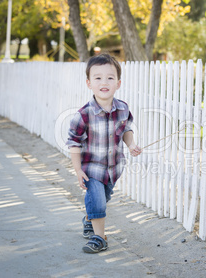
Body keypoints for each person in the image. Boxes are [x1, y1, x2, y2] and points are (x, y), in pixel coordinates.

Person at [66, 53, 141, 253]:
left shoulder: (123, 108)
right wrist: (77, 169)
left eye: (110, 77)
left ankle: (89, 218)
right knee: (97, 199)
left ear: (118, 83)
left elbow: (126, 129)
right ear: (89, 83)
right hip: (91, 167)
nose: (104, 82)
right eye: (98, 78)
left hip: (114, 168)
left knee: (102, 198)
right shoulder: (83, 115)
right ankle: (100, 237)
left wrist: (131, 144)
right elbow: (73, 143)